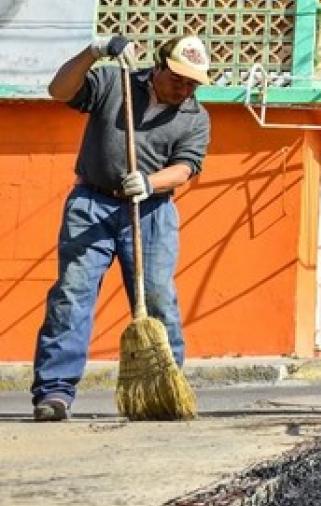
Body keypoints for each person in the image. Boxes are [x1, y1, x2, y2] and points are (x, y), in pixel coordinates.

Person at [32, 34, 212, 421]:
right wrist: (94, 52)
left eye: (193, 83)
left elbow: (187, 167)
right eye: (178, 78)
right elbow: (59, 90)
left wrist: (151, 182)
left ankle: (166, 386)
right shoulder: (117, 82)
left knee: (159, 298)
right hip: (91, 203)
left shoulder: (195, 116)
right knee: (71, 294)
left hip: (151, 212)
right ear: (159, 66)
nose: (184, 88)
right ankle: (54, 392)